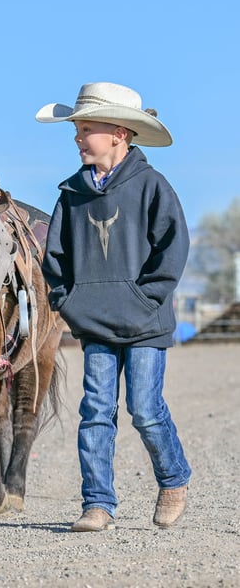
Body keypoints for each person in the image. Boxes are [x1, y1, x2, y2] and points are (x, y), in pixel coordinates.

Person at [36, 82, 191, 531]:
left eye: (87, 129)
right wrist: (69, 302)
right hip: (95, 324)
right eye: (77, 130)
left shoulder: (152, 186)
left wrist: (146, 298)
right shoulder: (71, 193)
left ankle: (174, 479)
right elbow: (55, 258)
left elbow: (173, 248)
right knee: (96, 412)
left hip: (145, 322)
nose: (78, 137)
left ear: (119, 134)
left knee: (145, 409)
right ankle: (98, 504)